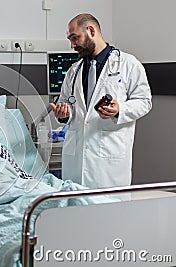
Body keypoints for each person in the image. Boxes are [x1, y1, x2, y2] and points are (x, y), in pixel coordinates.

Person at [49, 13, 152, 189]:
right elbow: (67, 104)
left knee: (109, 212)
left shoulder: (128, 64)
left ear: (91, 30)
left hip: (108, 161)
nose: (72, 45)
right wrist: (63, 115)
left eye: (75, 38)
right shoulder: (73, 71)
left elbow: (144, 101)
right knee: (75, 210)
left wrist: (120, 109)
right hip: (76, 160)